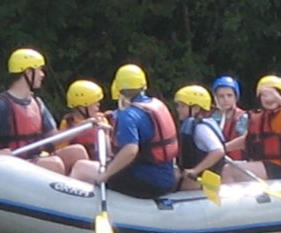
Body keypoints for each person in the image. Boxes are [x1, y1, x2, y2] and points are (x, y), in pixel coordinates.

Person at [0, 48, 88, 174]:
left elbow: (54, 137)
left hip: (37, 157)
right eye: (39, 70)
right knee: (54, 164)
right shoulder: (1, 105)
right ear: (28, 72)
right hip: (17, 162)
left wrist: (85, 125)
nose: (42, 75)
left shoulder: (37, 103)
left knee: (77, 151)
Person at [77, 64, 178, 198]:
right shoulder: (157, 104)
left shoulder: (128, 115)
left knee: (81, 167)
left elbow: (130, 150)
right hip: (167, 178)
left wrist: (106, 175)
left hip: (146, 181)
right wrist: (110, 122)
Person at [223, 75, 281, 181]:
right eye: (264, 95)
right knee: (225, 168)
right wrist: (222, 149)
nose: (269, 99)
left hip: (280, 167)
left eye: (273, 94)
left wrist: (277, 97)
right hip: (262, 164)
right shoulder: (258, 117)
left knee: (229, 170)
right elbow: (246, 140)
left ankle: (226, 198)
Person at [174, 84, 226, 191]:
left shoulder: (201, 128)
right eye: (178, 106)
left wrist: (195, 170)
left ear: (196, 108)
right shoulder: (193, 125)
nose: (178, 109)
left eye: (182, 106)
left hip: (201, 181)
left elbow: (218, 151)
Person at [57, 80, 108, 161]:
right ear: (82, 106)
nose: (98, 104)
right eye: (94, 102)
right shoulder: (67, 124)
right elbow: (61, 150)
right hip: (78, 165)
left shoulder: (101, 120)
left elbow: (109, 148)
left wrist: (107, 131)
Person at [209, 75, 249, 160]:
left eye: (229, 95)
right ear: (215, 98)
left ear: (235, 97)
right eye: (221, 96)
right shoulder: (210, 117)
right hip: (213, 161)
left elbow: (247, 142)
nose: (225, 99)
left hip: (236, 163)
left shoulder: (242, 117)